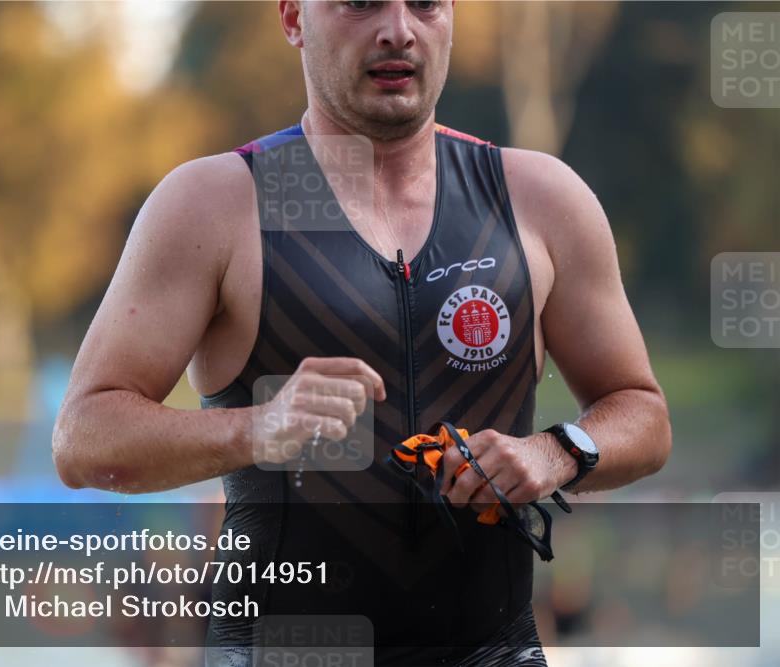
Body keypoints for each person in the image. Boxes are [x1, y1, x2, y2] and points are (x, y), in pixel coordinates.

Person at [53, 1, 672, 664]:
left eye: (427, 4)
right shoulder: (216, 203)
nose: (399, 29)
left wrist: (555, 453)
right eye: (360, 2)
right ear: (293, 18)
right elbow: (83, 438)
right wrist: (256, 429)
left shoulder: (539, 198)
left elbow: (643, 413)